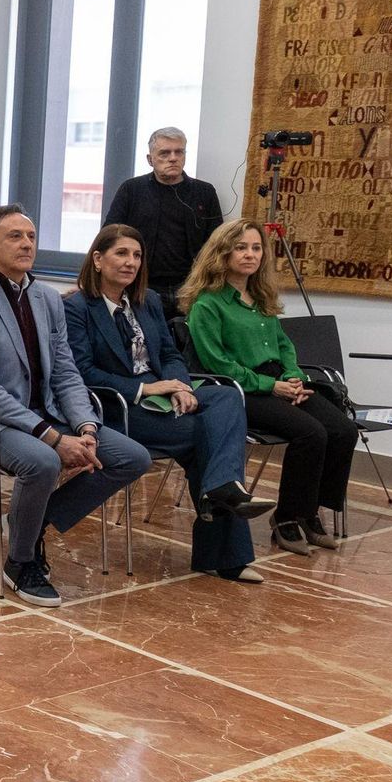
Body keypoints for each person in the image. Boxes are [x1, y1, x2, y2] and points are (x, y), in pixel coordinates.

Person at [0, 204, 150, 607]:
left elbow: (66, 373)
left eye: (32, 236)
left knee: (132, 457)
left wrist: (86, 427)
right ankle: (20, 563)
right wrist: (55, 438)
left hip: (45, 413)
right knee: (43, 461)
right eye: (14, 236)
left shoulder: (47, 298)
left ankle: (30, 523)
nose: (26, 244)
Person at [64, 224, 275, 582]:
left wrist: (181, 387)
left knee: (226, 396)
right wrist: (145, 389)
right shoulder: (77, 308)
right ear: (98, 259)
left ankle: (220, 491)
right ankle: (224, 550)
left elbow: (169, 353)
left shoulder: (147, 302)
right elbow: (82, 371)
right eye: (121, 253)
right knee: (209, 435)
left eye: (137, 255)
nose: (131, 262)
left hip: (163, 396)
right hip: (119, 406)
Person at [181, 217, 357, 555]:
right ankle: (287, 518)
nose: (250, 254)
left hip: (279, 380)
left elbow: (284, 345)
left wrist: (292, 376)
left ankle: (309, 512)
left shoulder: (260, 297)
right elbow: (217, 363)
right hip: (241, 389)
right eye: (241, 248)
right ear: (222, 253)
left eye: (256, 248)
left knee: (343, 430)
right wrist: (271, 385)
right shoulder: (208, 303)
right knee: (311, 433)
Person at [103, 127, 223, 320]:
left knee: (186, 337)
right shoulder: (132, 190)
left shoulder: (204, 193)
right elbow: (108, 238)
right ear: (150, 159)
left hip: (191, 287)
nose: (173, 158)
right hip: (142, 285)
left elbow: (218, 245)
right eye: (165, 153)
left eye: (179, 152)